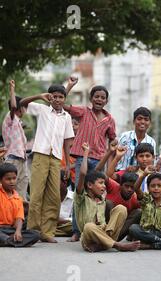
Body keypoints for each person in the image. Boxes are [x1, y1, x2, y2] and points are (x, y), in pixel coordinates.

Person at [20, 85, 75, 243]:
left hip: (56, 158)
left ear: (65, 99)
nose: (57, 99)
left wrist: (68, 165)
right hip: (40, 155)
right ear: (50, 97)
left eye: (60, 97)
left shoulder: (67, 117)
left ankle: (47, 232)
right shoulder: (43, 109)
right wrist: (39, 95)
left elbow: (67, 142)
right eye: (54, 96)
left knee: (54, 196)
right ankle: (33, 231)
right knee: (37, 194)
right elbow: (21, 103)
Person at [62, 85, 117, 241]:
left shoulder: (110, 119)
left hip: (100, 159)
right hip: (82, 157)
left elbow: (113, 138)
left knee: (100, 193)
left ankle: (99, 227)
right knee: (80, 193)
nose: (99, 99)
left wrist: (114, 146)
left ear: (106, 101)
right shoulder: (83, 112)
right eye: (96, 96)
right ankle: (76, 231)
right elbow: (64, 105)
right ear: (91, 98)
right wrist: (69, 86)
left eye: (102, 97)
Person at [75, 142, 140, 252]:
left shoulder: (102, 200)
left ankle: (104, 244)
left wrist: (110, 152)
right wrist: (86, 153)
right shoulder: (81, 197)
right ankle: (116, 245)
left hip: (106, 232)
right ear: (90, 185)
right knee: (89, 226)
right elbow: (83, 174)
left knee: (121, 208)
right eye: (100, 183)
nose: (104, 186)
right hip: (90, 236)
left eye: (104, 183)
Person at [129, 171, 161, 250]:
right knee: (133, 228)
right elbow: (136, 188)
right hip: (146, 232)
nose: (156, 188)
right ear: (148, 188)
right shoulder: (146, 199)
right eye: (153, 186)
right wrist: (144, 174)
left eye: (159, 186)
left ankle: (151, 245)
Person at [0, 163, 40, 247]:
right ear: (1, 180)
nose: (11, 181)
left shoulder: (18, 198)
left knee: (36, 235)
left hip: (10, 229)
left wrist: (18, 231)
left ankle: (7, 240)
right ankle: (10, 240)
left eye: (14, 178)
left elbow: (19, 217)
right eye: (8, 179)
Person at [2, 80, 28, 200]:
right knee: (10, 191)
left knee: (21, 191)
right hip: (13, 160)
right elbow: (13, 106)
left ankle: (20, 215)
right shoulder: (10, 117)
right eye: (24, 107)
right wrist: (12, 88)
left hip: (21, 160)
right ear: (21, 107)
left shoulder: (17, 121)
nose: (26, 110)